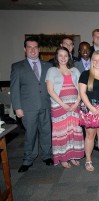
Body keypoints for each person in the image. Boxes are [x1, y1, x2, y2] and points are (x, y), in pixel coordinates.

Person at [10, 37, 53, 172]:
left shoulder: (48, 66)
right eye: (30, 47)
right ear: (25, 49)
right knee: (30, 135)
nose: (33, 50)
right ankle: (28, 159)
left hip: (46, 105)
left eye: (35, 47)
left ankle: (47, 155)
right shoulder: (17, 67)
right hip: (28, 108)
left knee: (46, 132)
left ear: (39, 49)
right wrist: (17, 107)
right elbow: (14, 88)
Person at [46, 47, 84, 168]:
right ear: (56, 57)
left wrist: (77, 102)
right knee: (62, 133)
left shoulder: (75, 70)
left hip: (75, 106)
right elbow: (50, 91)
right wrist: (64, 105)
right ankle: (63, 158)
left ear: (69, 57)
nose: (63, 58)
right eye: (60, 55)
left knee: (73, 131)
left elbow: (81, 89)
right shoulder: (52, 70)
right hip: (59, 106)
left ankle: (72, 156)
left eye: (65, 56)